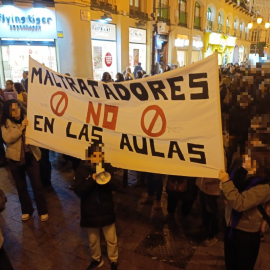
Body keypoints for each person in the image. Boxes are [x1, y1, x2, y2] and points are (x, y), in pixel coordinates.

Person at [219, 150, 270, 270]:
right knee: (230, 261)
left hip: (246, 232)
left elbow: (240, 203)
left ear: (258, 165)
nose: (245, 159)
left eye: (249, 158)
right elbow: (226, 194)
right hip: (231, 224)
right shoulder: (241, 174)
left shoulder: (264, 187)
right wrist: (224, 186)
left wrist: (226, 183)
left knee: (243, 265)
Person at [0, 99, 49, 222]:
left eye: (17, 107)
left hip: (31, 156)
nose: (16, 110)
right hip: (14, 159)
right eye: (12, 109)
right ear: (8, 112)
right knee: (21, 186)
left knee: (37, 185)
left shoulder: (29, 118)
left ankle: (43, 211)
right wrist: (21, 128)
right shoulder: (5, 123)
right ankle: (27, 210)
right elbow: (8, 138)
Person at [74, 143, 119, 270]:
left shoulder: (107, 167)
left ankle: (114, 260)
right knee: (93, 239)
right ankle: (97, 259)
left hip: (106, 209)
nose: (97, 159)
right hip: (90, 211)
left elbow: (116, 185)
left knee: (111, 238)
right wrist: (92, 180)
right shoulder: (81, 170)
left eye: (99, 156)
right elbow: (78, 190)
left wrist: (106, 178)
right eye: (94, 156)